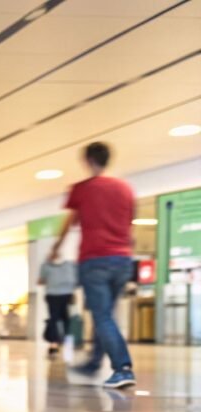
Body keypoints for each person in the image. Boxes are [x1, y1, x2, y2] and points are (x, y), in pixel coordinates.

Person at [51, 141, 136, 388]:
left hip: (95, 259)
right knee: (106, 315)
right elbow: (129, 223)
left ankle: (123, 368)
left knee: (102, 316)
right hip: (122, 259)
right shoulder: (125, 188)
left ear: (88, 161)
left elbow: (70, 221)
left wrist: (56, 248)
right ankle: (94, 362)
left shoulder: (82, 189)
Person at [39, 256, 78, 358]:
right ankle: (56, 344)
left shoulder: (70, 265)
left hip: (58, 295)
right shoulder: (47, 265)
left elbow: (41, 280)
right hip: (56, 295)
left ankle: (58, 344)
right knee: (59, 320)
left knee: (59, 319)